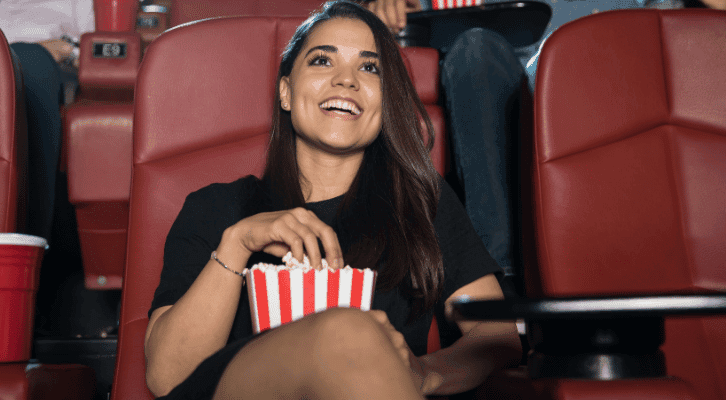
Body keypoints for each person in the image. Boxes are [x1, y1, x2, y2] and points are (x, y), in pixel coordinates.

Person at [144, 2, 522, 399]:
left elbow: (497, 335)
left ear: (386, 102)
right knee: (348, 329)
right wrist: (237, 245)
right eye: (322, 61)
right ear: (286, 93)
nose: (347, 80)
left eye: (369, 67)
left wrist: (426, 372)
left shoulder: (421, 205)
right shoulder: (218, 209)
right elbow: (168, 377)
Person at [364, 0, 529, 295]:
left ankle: (502, 277)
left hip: (529, 54)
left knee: (477, 50)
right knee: (474, 52)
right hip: (440, 55)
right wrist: (376, 7)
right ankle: (500, 280)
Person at [0, 0, 94, 241]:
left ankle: (24, 248)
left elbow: (96, 46)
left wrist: (66, 49)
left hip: (39, 65)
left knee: (31, 63)